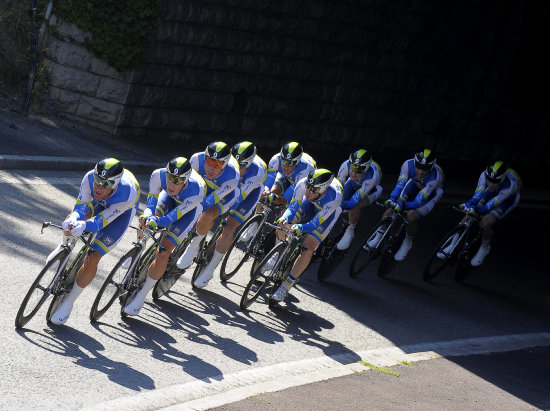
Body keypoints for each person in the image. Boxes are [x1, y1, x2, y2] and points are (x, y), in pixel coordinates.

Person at [49, 158, 140, 325]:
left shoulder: (127, 193)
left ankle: (69, 303)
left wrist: (84, 225)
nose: (99, 186)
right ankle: (64, 248)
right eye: (98, 180)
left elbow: (101, 222)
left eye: (105, 184)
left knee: (93, 256)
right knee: (72, 220)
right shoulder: (90, 177)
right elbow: (80, 207)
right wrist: (75, 220)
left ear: (115, 185)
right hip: (100, 204)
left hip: (120, 212)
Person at [123, 157, 207, 315]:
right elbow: (149, 204)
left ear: (186, 180)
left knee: (163, 251)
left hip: (187, 211)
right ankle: (138, 247)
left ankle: (140, 297)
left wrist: (158, 221)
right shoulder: (157, 175)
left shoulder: (197, 190)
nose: (171, 184)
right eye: (169, 179)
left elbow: (171, 218)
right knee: (146, 219)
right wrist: (148, 216)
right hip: (168, 199)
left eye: (177, 181)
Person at [193, 141, 267, 288]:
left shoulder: (256, 172)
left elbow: (238, 198)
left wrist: (219, 209)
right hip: (227, 187)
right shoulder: (227, 165)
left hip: (248, 194)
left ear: (249, 164)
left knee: (229, 226)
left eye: (243, 167)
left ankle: (211, 267)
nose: (238, 170)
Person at [271, 168, 343, 303]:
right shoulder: (303, 183)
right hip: (308, 205)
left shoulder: (334, 197)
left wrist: (300, 228)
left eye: (313, 190)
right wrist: (285, 219)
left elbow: (314, 224)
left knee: (308, 248)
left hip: (327, 214)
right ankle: (276, 254)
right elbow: (292, 208)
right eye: (308, 188)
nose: (309, 192)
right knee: (284, 223)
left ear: (323, 190)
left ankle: (285, 287)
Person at [366, 149, 444, 261]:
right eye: (418, 167)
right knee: (393, 207)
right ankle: (378, 237)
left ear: (431, 167)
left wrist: (403, 206)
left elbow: (418, 202)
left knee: (411, 216)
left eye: (425, 169)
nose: (420, 172)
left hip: (432, 193)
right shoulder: (408, 164)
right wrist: (393, 199)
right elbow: (399, 186)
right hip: (414, 183)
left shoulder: (434, 177)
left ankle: (407, 242)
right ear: (414, 163)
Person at [176, 142, 240, 274]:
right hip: (203, 187)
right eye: (209, 161)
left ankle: (194, 246)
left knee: (206, 215)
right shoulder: (196, 160)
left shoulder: (232, 176)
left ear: (225, 164)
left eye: (217, 165)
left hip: (224, 195)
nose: (211, 168)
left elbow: (208, 203)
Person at [442, 161, 521, 266]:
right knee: (469, 214)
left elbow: (486, 208)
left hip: (508, 199)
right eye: (489, 180)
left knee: (485, 222)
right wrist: (467, 205)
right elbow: (476, 197)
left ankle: (485, 247)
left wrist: (474, 208)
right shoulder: (485, 175)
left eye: (495, 181)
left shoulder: (509, 186)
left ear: (502, 179)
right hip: (494, 192)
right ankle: (453, 244)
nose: (491, 184)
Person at [335, 149, 383, 250]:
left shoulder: (372, 176)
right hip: (354, 183)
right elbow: (337, 189)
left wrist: (342, 205)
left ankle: (351, 230)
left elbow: (353, 202)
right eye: (352, 167)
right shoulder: (345, 165)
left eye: (359, 170)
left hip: (372, 190)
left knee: (354, 207)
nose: (353, 173)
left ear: (366, 169)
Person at [261, 141, 316, 207]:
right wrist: (265, 193)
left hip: (302, 183)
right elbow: (268, 184)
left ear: (298, 162)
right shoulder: (276, 159)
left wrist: (276, 199)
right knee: (269, 193)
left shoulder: (306, 169)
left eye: (290, 164)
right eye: (283, 161)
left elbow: (284, 200)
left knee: (285, 205)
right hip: (285, 177)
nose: (285, 167)